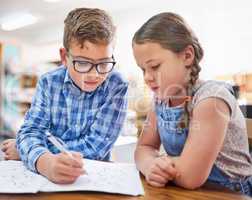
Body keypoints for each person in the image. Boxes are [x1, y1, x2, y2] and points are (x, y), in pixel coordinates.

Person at [1, 7, 128, 184]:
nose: (94, 74)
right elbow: (30, 132)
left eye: (104, 63)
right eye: (83, 63)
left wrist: (29, 152)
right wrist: (45, 163)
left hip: (92, 178)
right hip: (44, 181)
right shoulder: (48, 82)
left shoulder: (116, 84)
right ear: (64, 57)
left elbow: (96, 147)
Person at [132, 12, 252, 196]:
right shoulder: (161, 100)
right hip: (185, 192)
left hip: (230, 194)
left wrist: (162, 164)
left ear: (187, 56)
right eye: (143, 69)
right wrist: (150, 166)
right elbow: (143, 148)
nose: (147, 77)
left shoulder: (212, 99)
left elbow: (190, 176)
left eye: (154, 66)